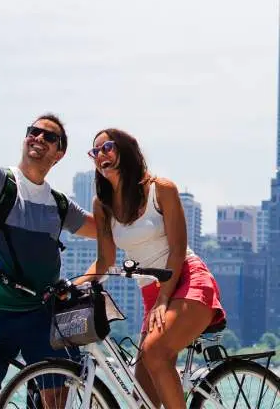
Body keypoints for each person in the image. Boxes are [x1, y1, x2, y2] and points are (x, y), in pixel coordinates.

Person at [0, 77, 96, 397]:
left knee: (58, 394)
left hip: (40, 315)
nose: (38, 137)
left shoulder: (59, 205)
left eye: (48, 136)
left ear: (59, 153)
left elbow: (106, 229)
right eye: (33, 131)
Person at [79, 128, 226, 409]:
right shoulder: (103, 205)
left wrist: (163, 298)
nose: (101, 155)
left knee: (154, 352)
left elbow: (178, 248)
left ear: (126, 149)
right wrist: (71, 286)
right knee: (143, 398)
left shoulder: (162, 189)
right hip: (152, 292)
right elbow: (105, 260)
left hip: (187, 279)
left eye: (107, 147)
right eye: (95, 152)